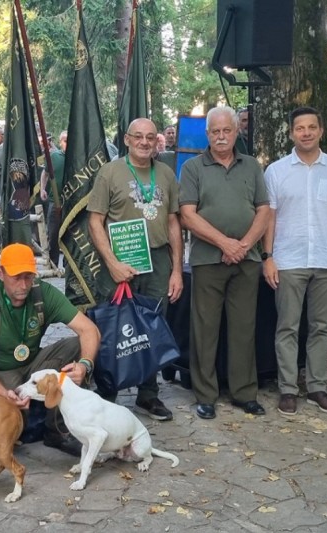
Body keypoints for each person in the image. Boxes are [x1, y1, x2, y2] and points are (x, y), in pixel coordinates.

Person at [263, 106, 327, 417]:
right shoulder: (276, 171)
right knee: (287, 327)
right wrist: (269, 257)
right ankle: (288, 389)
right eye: (299, 127)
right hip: (288, 260)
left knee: (320, 327)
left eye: (311, 127)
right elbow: (270, 217)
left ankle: (317, 386)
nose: (305, 132)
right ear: (292, 133)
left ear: (321, 131)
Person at [0, 243, 100, 456]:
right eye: (16, 277)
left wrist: (84, 365)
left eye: (28, 276)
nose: (24, 284)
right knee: (3, 442)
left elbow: (90, 330)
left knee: (75, 345)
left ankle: (58, 431)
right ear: (0, 273)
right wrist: (3, 393)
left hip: (32, 366)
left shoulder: (43, 292)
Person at [87, 118, 183, 422]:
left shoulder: (166, 173)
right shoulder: (110, 172)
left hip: (157, 262)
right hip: (119, 261)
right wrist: (112, 264)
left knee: (153, 328)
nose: (145, 142)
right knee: (113, 330)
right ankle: (107, 395)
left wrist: (177, 269)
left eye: (150, 137)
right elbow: (95, 221)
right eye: (138, 137)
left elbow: (172, 223)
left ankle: (148, 395)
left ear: (157, 141)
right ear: (127, 139)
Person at [179, 106, 270, 420]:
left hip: (247, 259)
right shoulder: (193, 167)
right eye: (214, 131)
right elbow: (188, 215)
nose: (220, 137)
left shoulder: (252, 167)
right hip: (207, 260)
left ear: (236, 132)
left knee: (244, 327)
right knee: (205, 330)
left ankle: (244, 393)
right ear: (207, 134)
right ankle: (206, 395)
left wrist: (243, 246)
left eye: (226, 131)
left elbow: (263, 210)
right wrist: (225, 244)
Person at [39, 134, 66, 266]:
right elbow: (45, 173)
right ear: (60, 142)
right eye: (65, 140)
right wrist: (42, 189)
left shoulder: (78, 157)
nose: (68, 143)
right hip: (54, 201)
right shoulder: (54, 157)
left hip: (71, 202)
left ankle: (69, 265)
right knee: (53, 232)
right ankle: (53, 263)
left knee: (70, 234)